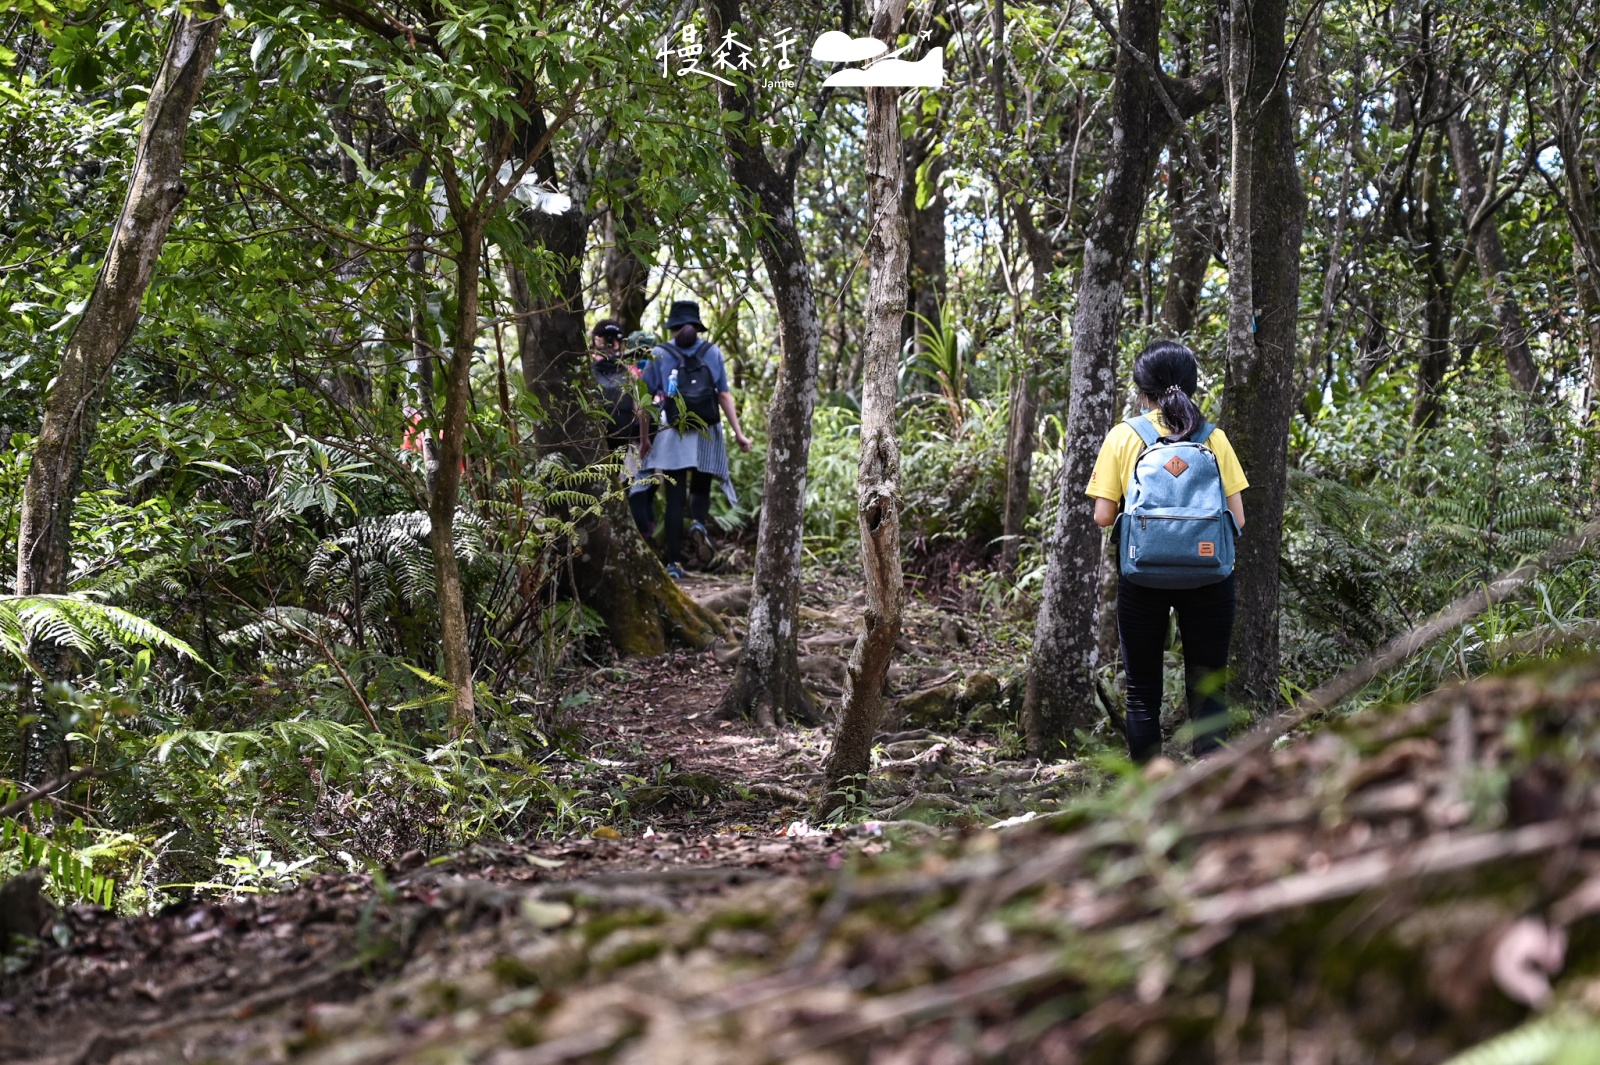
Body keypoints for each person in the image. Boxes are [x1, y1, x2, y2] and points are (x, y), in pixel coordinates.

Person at [1086, 339, 1249, 763]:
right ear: (1191, 385)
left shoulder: (1124, 436)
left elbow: (1104, 516)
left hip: (1142, 577)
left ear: (1143, 389)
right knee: (1208, 686)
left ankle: (1147, 791)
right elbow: (1239, 518)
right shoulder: (1214, 439)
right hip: (1210, 575)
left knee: (1142, 692)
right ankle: (1211, 787)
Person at [640, 300, 751, 580]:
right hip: (707, 431)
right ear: (697, 325)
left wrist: (645, 439)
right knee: (701, 486)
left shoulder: (658, 354)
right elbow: (723, 395)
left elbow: (644, 402)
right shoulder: (711, 351)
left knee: (675, 500)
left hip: (672, 433)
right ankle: (699, 522)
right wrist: (739, 433)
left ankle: (674, 564)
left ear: (673, 327)